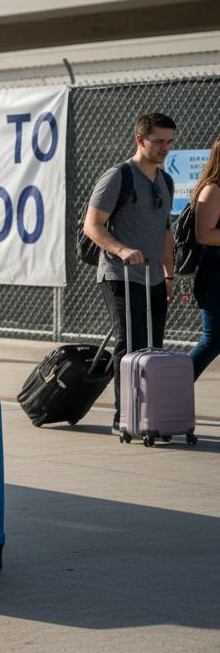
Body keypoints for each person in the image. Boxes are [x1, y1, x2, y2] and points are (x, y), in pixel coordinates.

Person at [82, 112, 176, 431]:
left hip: (152, 277)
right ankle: (123, 417)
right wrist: (122, 250)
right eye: (158, 141)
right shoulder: (117, 176)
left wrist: (168, 273)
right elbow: (91, 226)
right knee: (130, 343)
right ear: (140, 140)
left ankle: (148, 414)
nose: (165, 148)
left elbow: (165, 231)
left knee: (153, 348)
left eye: (169, 142)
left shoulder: (166, 181)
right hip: (119, 275)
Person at [187, 134, 220, 379]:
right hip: (214, 276)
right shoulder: (212, 190)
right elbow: (204, 234)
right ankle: (170, 388)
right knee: (214, 340)